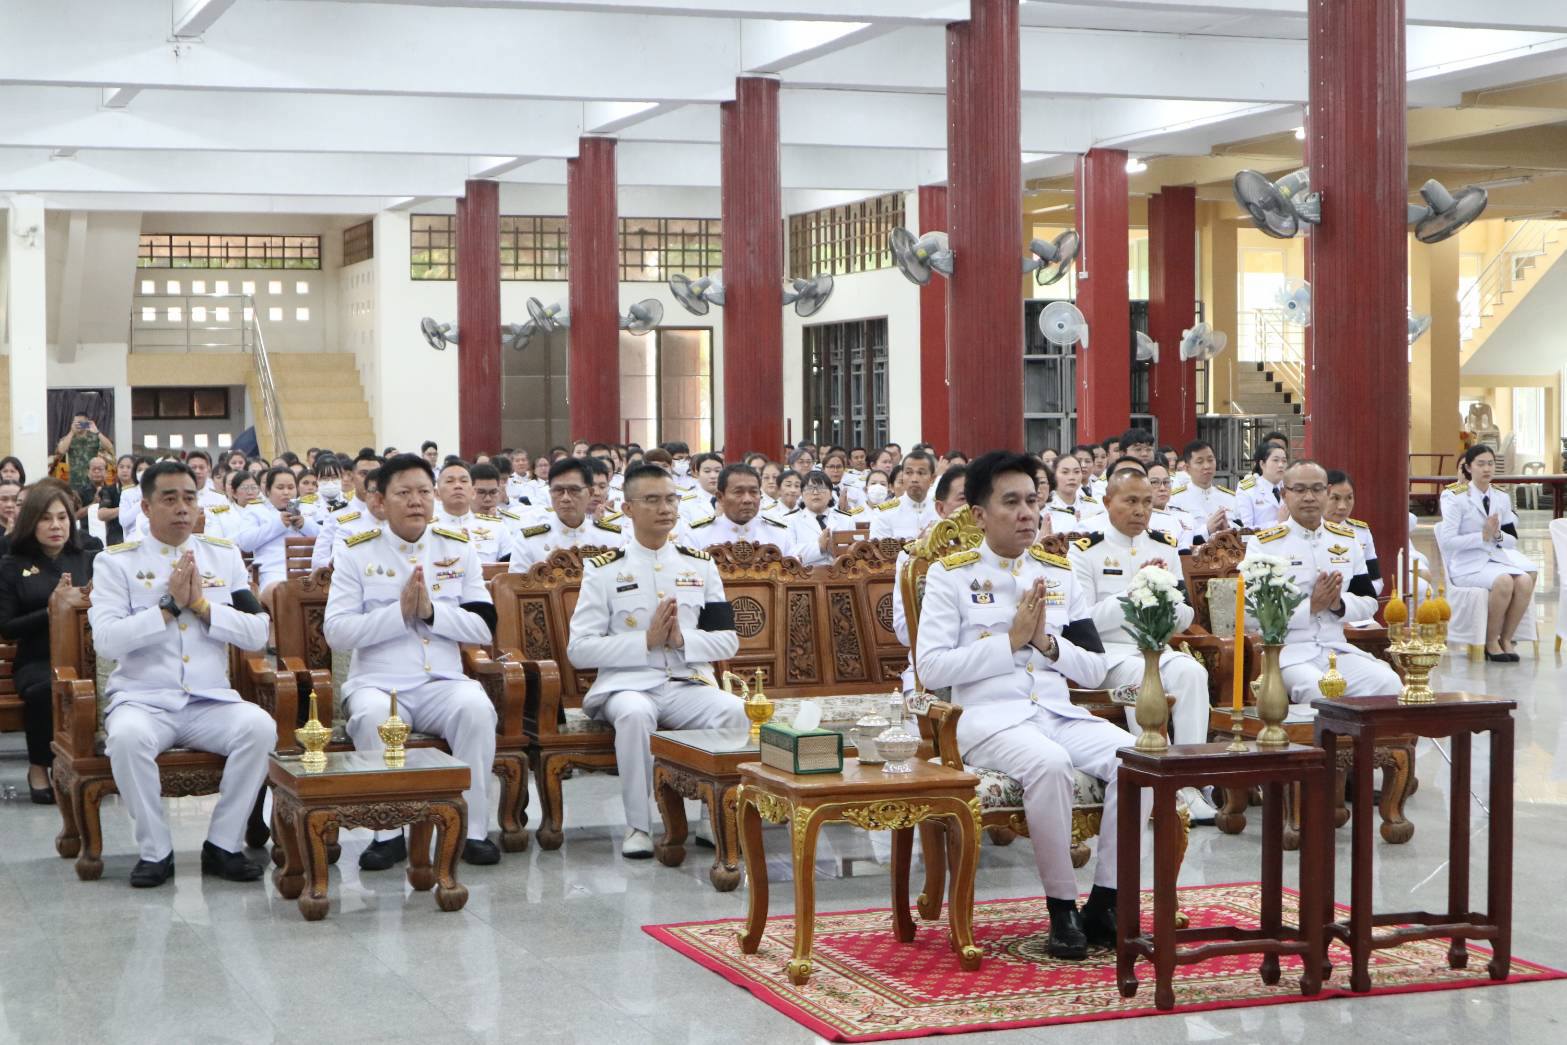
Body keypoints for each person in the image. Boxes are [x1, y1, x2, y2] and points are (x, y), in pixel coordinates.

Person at [915, 451, 1126, 959]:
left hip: (1056, 712)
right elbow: (933, 669)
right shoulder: (951, 576)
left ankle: (1106, 900)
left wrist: (1046, 645)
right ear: (979, 514)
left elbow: (1094, 670)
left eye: (1033, 500)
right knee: (1049, 765)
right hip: (988, 719)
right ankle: (1062, 910)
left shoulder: (1060, 575)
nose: (1026, 512)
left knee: (1135, 758)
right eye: (1011, 501)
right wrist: (1009, 641)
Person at [88, 461, 273, 887]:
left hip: (210, 701)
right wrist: (169, 608)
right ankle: (156, 851)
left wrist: (205, 608)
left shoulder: (223, 556)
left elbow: (258, 632)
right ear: (146, 508)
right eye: (169, 499)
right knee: (127, 738)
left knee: (259, 728)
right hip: (143, 699)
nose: (182, 509)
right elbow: (108, 642)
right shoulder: (116, 563)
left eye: (189, 498)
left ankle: (223, 844)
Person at [324, 454, 503, 868]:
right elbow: (337, 631)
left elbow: (483, 627)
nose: (416, 501)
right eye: (403, 493)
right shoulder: (356, 552)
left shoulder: (457, 549)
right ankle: (387, 833)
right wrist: (398, 613)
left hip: (442, 682)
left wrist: (430, 614)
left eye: (424, 491)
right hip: (379, 683)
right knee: (371, 718)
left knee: (476, 708)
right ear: (380, 502)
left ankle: (473, 831)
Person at [565, 463, 746, 858]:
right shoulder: (604, 571)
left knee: (734, 712)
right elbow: (579, 650)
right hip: (628, 684)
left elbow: (728, 641)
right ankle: (638, 826)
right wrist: (644, 642)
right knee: (633, 715)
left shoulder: (699, 564)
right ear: (627, 509)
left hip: (686, 683)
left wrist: (684, 640)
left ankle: (712, 822)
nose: (665, 508)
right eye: (652, 500)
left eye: (670, 499)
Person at [1069, 471, 1216, 821]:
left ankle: (1189, 781)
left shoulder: (1163, 545)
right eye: (1130, 501)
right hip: (1108, 655)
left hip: (1156, 647)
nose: (1140, 511)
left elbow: (1184, 615)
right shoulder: (1086, 551)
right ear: (1107, 503)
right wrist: (1134, 591)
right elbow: (1083, 621)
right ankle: (1156, 785)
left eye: (1147, 502)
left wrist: (1164, 600)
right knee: (1142, 677)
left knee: (1192, 672)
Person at [1241, 461, 1401, 702]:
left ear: (1327, 493)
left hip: (1335, 649)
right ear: (1285, 494)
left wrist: (1338, 604)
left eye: (1316, 489)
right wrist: (1310, 607)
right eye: (1300, 489)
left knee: (1388, 682)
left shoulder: (1347, 541)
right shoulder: (1264, 544)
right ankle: (1317, 741)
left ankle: (1370, 741)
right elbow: (1249, 613)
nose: (1309, 497)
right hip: (1287, 654)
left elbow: (1369, 601)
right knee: (1317, 690)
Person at [0, 482, 99, 802]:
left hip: (87, 657)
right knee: (47, 688)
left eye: (62, 518)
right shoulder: (12, 565)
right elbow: (7, 628)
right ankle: (39, 766)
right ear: (31, 522)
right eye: (46, 519)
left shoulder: (86, 560)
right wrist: (52, 608)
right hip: (37, 659)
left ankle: (98, 765)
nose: (56, 526)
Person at [1436, 444, 1538, 661]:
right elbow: (1448, 542)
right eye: (1480, 464)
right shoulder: (1454, 496)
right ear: (1469, 467)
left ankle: (1506, 638)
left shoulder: (1501, 496)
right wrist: (1482, 536)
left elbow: (1511, 541)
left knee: (1525, 581)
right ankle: (1490, 641)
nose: (1486, 469)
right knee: (1504, 581)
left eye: (1490, 463)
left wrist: (1496, 534)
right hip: (1466, 564)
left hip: (1495, 560)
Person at [891, 464, 965, 694]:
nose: (973, 509)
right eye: (964, 499)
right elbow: (905, 631)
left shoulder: (1003, 555)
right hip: (933, 674)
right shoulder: (915, 559)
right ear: (941, 509)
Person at [509, 458, 624, 571]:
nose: (565, 498)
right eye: (558, 490)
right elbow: (518, 587)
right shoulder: (528, 541)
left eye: (574, 490)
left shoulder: (612, 538)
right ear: (550, 493)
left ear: (590, 493)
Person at [246, 466, 319, 593]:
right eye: (280, 488)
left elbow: (327, 537)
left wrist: (305, 525)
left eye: (291, 488)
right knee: (282, 592)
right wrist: (278, 525)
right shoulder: (256, 511)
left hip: (309, 571)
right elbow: (245, 543)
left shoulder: (309, 508)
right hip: (273, 572)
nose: (286, 492)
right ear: (268, 491)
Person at [688, 464, 790, 550]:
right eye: (738, 492)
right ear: (720, 497)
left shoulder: (779, 535)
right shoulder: (698, 536)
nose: (748, 500)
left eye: (754, 492)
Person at [311, 452, 382, 570]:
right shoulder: (337, 512)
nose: (370, 480)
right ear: (351, 478)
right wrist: (340, 563)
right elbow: (318, 560)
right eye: (364, 474)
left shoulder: (391, 513)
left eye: (376, 475)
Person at [434, 459, 512, 564]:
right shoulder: (432, 527)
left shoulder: (497, 526)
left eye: (493, 492)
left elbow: (508, 568)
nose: (488, 499)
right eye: (481, 492)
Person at [785, 470, 861, 566]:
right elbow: (789, 554)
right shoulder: (790, 521)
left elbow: (855, 552)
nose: (815, 492)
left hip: (841, 576)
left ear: (830, 494)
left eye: (821, 488)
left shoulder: (846, 520)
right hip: (805, 577)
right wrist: (819, 546)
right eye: (810, 488)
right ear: (802, 495)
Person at [1324, 470, 1382, 592]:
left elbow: (1376, 580)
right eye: (1335, 498)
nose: (1342, 506)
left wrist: (1358, 599)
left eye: (1349, 498)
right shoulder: (1309, 530)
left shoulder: (1361, 532)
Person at [1169, 440, 1236, 543]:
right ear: (1187, 468)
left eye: (1210, 460)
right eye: (1200, 462)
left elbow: (1243, 531)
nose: (1207, 466)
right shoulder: (1175, 499)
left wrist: (1228, 528)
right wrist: (1207, 530)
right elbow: (1176, 537)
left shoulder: (1230, 497)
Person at [869, 450, 939, 540]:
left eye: (921, 473)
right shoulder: (884, 512)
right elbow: (880, 551)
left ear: (932, 478)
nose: (914, 479)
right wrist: (918, 544)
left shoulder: (941, 509)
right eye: (909, 473)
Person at [55, 413, 114, 505]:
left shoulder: (95, 437)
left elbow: (110, 447)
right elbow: (61, 451)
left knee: (94, 506)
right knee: (76, 509)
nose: (79, 425)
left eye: (81, 423)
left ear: (87, 423)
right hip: (75, 482)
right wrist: (71, 432)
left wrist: (97, 431)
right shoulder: (69, 438)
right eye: (76, 423)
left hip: (93, 482)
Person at [1234, 443, 1289, 530]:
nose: (1281, 465)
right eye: (1275, 460)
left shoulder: (1290, 487)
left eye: (1284, 461)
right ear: (1262, 464)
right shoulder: (1248, 489)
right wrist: (1278, 524)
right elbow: (1246, 530)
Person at [1047, 453, 1103, 527]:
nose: (1072, 477)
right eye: (1065, 472)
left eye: (1076, 472)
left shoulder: (1092, 505)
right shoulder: (1047, 506)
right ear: (1054, 475)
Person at [96, 454, 139, 548]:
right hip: (116, 537)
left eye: (128, 467)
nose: (124, 470)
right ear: (117, 469)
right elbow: (101, 514)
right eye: (121, 467)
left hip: (139, 534)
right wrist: (126, 508)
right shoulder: (109, 490)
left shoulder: (141, 490)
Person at [680, 452, 724, 525]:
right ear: (697, 474)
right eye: (707, 471)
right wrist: (715, 518)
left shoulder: (730, 497)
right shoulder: (687, 501)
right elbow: (684, 531)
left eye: (717, 471)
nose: (713, 476)